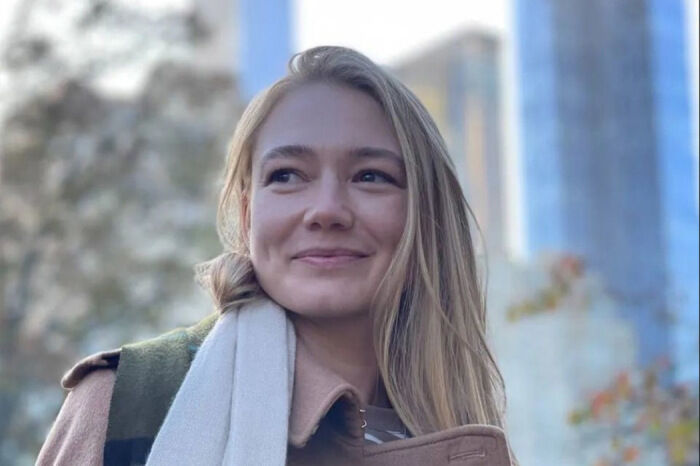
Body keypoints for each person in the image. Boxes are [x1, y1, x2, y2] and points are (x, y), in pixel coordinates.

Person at [37, 46, 516, 465]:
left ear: (425, 216)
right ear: (248, 215)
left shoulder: (470, 442)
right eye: (287, 175)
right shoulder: (124, 406)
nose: (326, 210)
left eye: (370, 176)